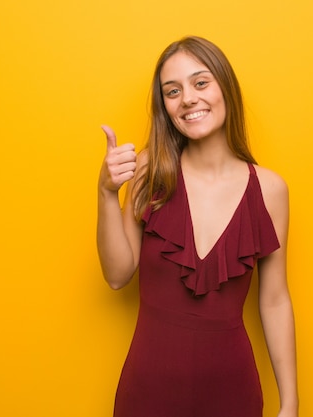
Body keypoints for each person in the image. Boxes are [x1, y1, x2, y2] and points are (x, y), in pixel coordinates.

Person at [97, 36, 298, 417]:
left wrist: (290, 403)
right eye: (173, 91)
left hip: (233, 394)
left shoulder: (270, 190)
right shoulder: (148, 172)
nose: (188, 98)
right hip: (147, 392)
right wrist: (106, 193)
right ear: (165, 107)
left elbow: (274, 300)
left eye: (200, 82)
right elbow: (117, 275)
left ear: (225, 87)